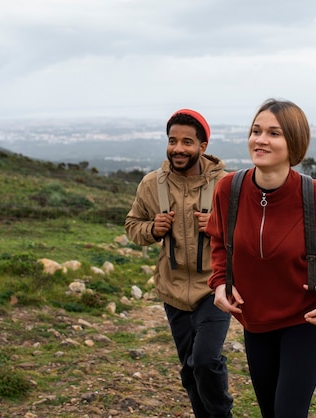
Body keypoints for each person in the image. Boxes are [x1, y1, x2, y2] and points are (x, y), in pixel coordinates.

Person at [206, 99, 316, 418]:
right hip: (256, 321)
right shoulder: (228, 189)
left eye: (274, 133)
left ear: (294, 143)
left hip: (305, 320)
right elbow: (219, 240)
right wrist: (220, 283)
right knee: (270, 411)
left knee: (288, 412)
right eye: (256, 130)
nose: (260, 140)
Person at [125, 109, 233, 418]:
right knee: (189, 371)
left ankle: (221, 414)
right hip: (173, 290)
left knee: (205, 360)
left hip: (215, 287)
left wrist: (218, 225)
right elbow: (133, 226)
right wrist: (152, 228)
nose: (178, 148)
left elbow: (249, 235)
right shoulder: (151, 185)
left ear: (203, 146)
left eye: (187, 142)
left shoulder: (226, 186)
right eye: (172, 141)